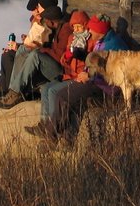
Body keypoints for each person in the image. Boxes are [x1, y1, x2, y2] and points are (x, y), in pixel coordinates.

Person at [25, 13, 128, 141]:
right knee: (55, 92)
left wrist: (88, 75)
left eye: (92, 29)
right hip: (90, 80)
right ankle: (56, 133)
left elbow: (110, 73)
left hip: (103, 87)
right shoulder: (102, 41)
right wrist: (73, 58)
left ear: (99, 30)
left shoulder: (111, 45)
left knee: (61, 95)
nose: (89, 31)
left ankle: (51, 137)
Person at [0, 0, 58, 99]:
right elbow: (33, 42)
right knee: (7, 54)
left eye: (37, 8)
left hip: (38, 56)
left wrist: (18, 47)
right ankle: (3, 86)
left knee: (15, 53)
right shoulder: (37, 21)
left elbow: (40, 46)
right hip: (32, 50)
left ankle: (9, 90)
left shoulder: (46, 24)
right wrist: (20, 44)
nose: (35, 12)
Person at [0, 4, 70, 109]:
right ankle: (13, 91)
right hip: (52, 64)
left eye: (46, 21)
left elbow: (59, 56)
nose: (45, 23)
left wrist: (42, 49)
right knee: (25, 51)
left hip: (61, 71)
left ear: (52, 21)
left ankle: (16, 92)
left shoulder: (64, 31)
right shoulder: (56, 29)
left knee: (35, 55)